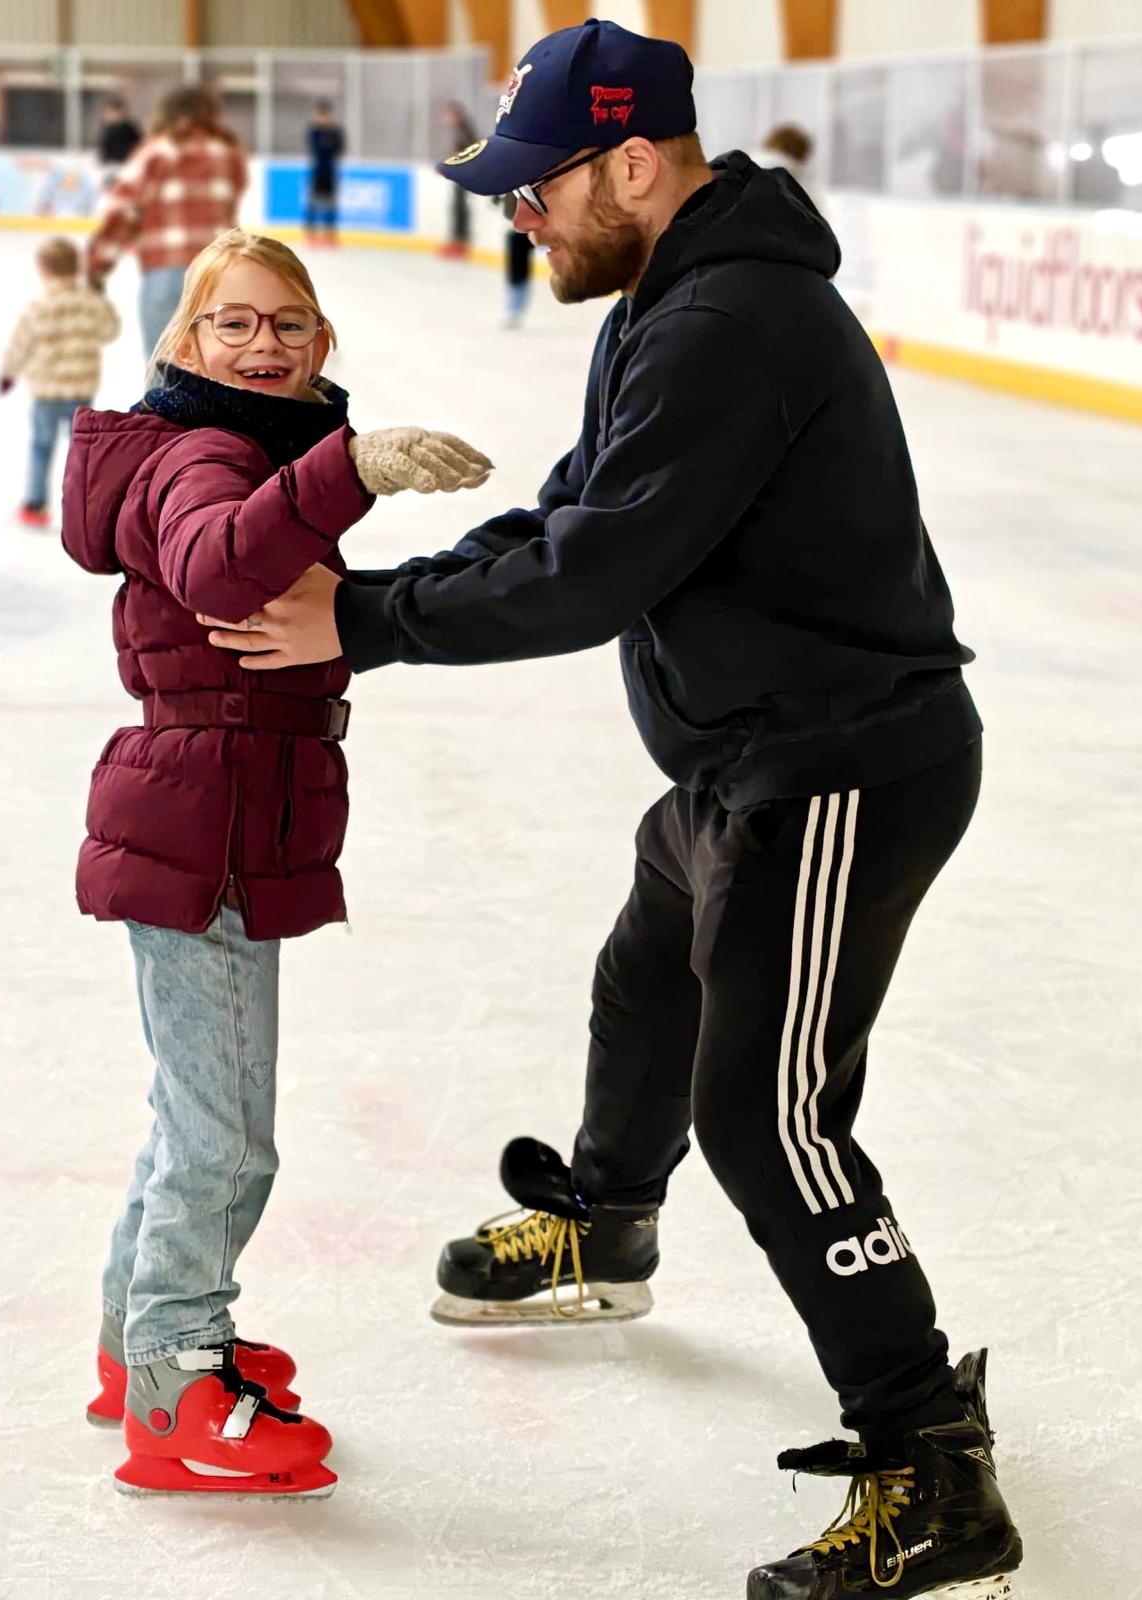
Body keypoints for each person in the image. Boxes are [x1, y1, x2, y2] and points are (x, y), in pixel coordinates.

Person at [200, 21, 1023, 1598]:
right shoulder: (671, 290)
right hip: (743, 757)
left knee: (769, 1120)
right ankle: (606, 1221)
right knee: (646, 983)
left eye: (538, 184)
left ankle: (932, 1463)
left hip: (842, 768)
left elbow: (593, 574)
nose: (518, 212)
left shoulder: (733, 320)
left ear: (634, 162)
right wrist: (379, 591)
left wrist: (365, 622)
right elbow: (580, 507)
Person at [62, 228, 491, 1498]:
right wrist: (346, 469)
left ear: (322, 344)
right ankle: (179, 1381)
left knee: (193, 1117)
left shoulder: (252, 451)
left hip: (222, 813)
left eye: (289, 325)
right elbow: (210, 560)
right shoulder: (205, 452)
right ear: (183, 344)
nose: (264, 344)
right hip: (210, 829)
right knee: (227, 1136)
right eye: (234, 324)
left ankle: (134, 1347)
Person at [87, 86, 248, 361]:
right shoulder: (228, 153)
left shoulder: (153, 154)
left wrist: (97, 265)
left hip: (165, 275)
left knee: (163, 376)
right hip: (220, 276)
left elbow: (123, 213)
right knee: (220, 376)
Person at [0, 235, 120, 528]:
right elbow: (110, 331)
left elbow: (20, 343)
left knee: (41, 447)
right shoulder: (89, 302)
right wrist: (101, 298)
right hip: (81, 388)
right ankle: (81, 509)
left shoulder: (40, 306)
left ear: (44, 271)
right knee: (79, 450)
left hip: (46, 391)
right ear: (76, 269)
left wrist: (8, 373)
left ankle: (35, 505)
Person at [305, 99, 345, 246]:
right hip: (316, 172)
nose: (322, 118)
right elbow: (316, 148)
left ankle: (329, 236)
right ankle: (311, 235)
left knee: (331, 206)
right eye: (320, 115)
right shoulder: (314, 131)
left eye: (325, 115)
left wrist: (327, 143)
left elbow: (338, 148)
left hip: (330, 173)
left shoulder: (335, 132)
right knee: (312, 205)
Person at [440, 101, 476, 258]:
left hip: (464, 173)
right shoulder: (462, 128)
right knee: (457, 206)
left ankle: (460, 240)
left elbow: (470, 148)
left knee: (459, 207)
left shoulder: (464, 129)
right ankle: (458, 239)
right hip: (461, 172)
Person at [496, 191, 534, 327]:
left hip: (532, 226)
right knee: (517, 271)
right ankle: (514, 309)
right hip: (516, 230)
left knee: (518, 270)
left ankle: (514, 309)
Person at [96, 96, 142, 186]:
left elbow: (139, 144)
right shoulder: (107, 128)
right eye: (108, 112)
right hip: (111, 165)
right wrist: (103, 159)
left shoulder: (129, 127)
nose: (109, 115)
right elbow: (104, 146)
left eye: (112, 112)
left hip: (125, 164)